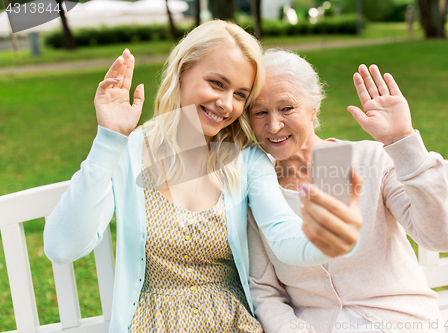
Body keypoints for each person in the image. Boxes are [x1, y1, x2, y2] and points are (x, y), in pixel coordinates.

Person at [43, 21, 356, 332]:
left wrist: (323, 238)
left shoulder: (246, 159)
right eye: (218, 84)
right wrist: (109, 139)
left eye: (240, 94)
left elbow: (281, 233)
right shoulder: (129, 151)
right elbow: (62, 247)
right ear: (183, 71)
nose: (226, 104)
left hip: (233, 324)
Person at [247, 50, 448, 333]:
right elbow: (264, 291)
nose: (274, 125)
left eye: (287, 108)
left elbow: (444, 237)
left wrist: (402, 142)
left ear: (315, 108)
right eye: (260, 112)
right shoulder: (260, 189)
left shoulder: (365, 160)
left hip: (399, 322)